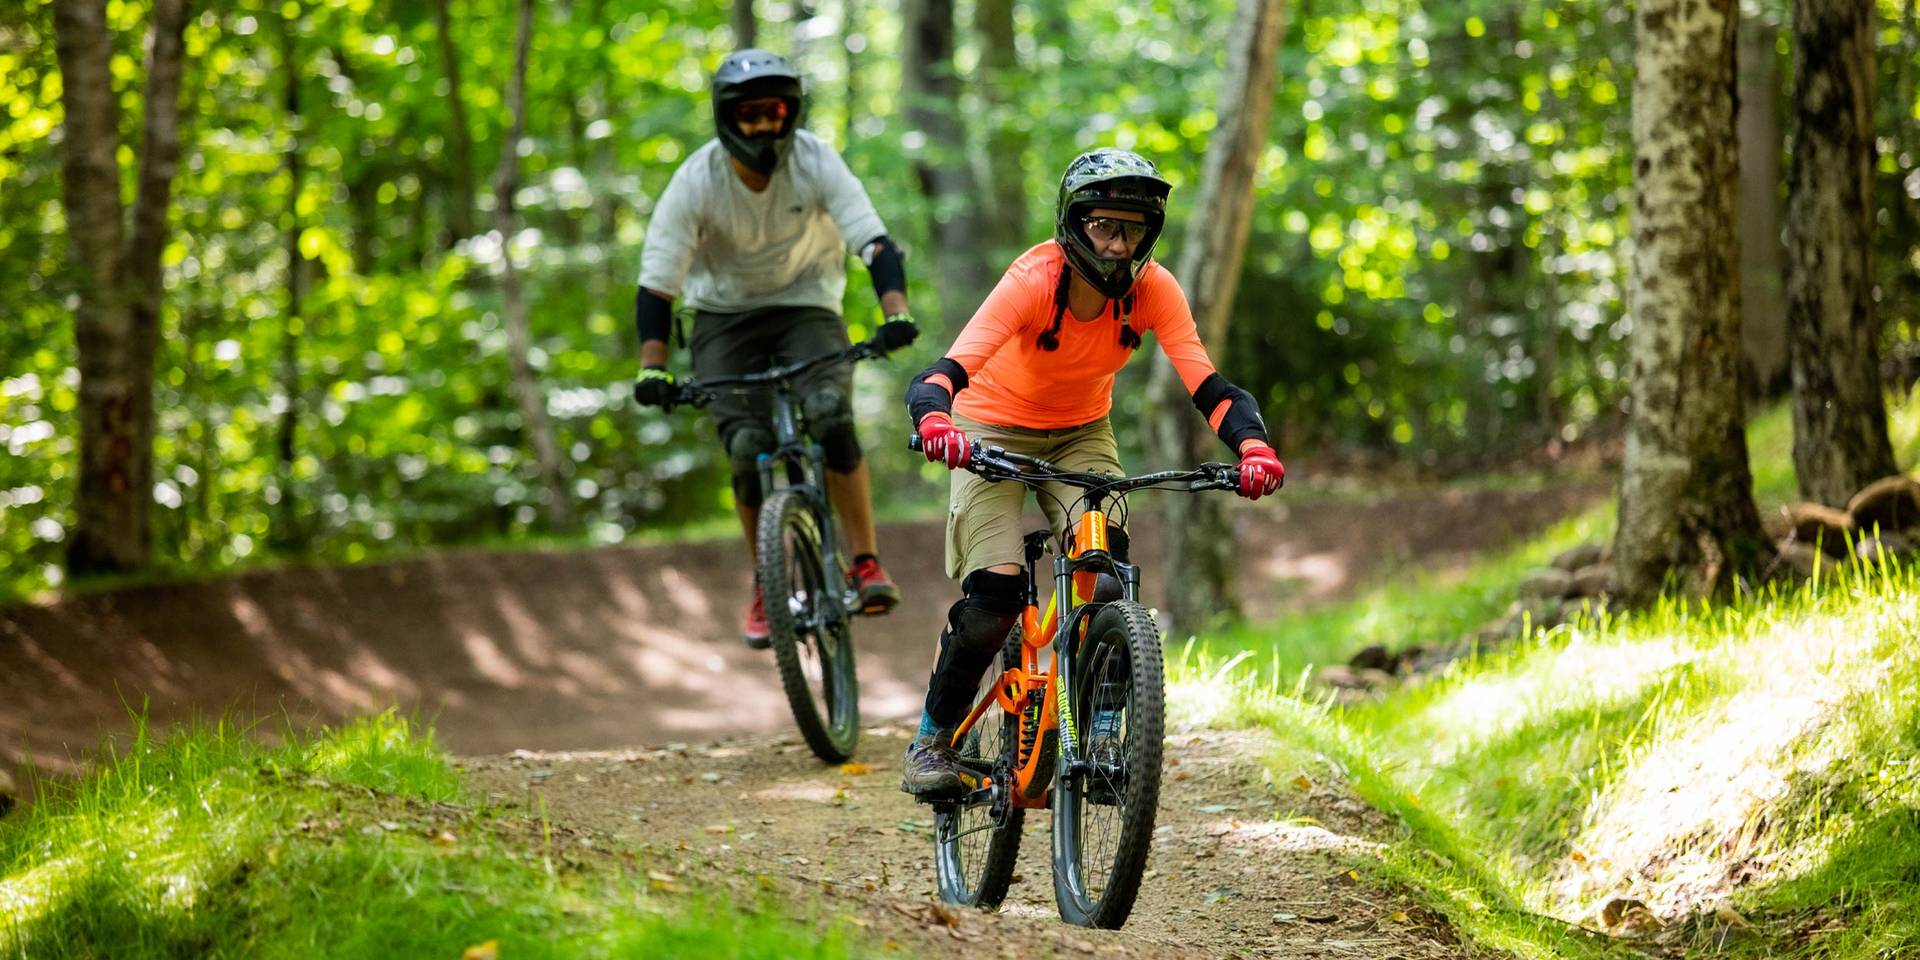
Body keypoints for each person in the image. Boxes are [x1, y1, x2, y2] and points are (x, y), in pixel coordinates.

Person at [897, 148, 1285, 797]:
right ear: (1074, 226)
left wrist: (1253, 448)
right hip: (989, 429)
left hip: (1081, 433)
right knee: (994, 597)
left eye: (1131, 229)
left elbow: (1209, 384)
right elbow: (940, 376)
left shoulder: (1153, 289)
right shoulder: (1032, 281)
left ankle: (1102, 733)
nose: (1117, 243)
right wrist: (939, 425)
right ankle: (930, 742)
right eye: (1104, 226)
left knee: (1104, 574)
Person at [631, 49, 917, 648]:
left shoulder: (815, 160)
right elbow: (658, 282)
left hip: (806, 307)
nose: (764, 126)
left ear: (792, 113)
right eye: (751, 113)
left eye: (776, 111)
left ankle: (863, 561)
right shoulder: (697, 180)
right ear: (727, 117)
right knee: (745, 446)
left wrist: (896, 314)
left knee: (832, 417)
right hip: (721, 319)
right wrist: (652, 368)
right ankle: (768, 582)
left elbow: (873, 240)